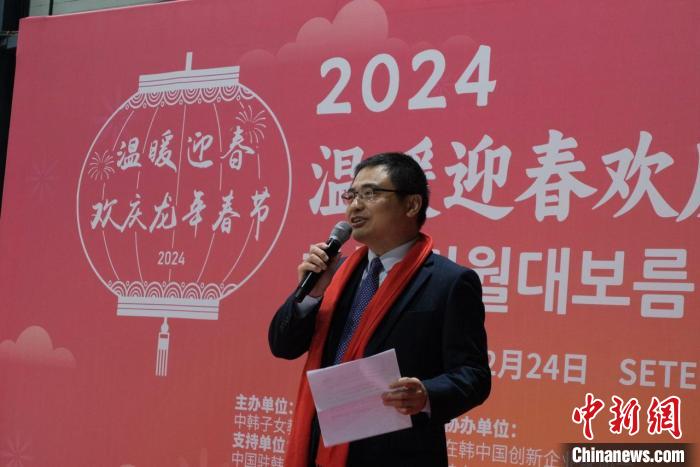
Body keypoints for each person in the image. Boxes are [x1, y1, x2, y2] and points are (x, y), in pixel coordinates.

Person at [269, 152, 490, 467]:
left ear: (411, 205)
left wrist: (426, 394)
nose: (355, 206)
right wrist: (311, 294)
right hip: (321, 446)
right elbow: (282, 346)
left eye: (370, 194)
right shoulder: (335, 273)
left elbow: (473, 376)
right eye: (352, 195)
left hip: (396, 455)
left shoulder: (449, 282)